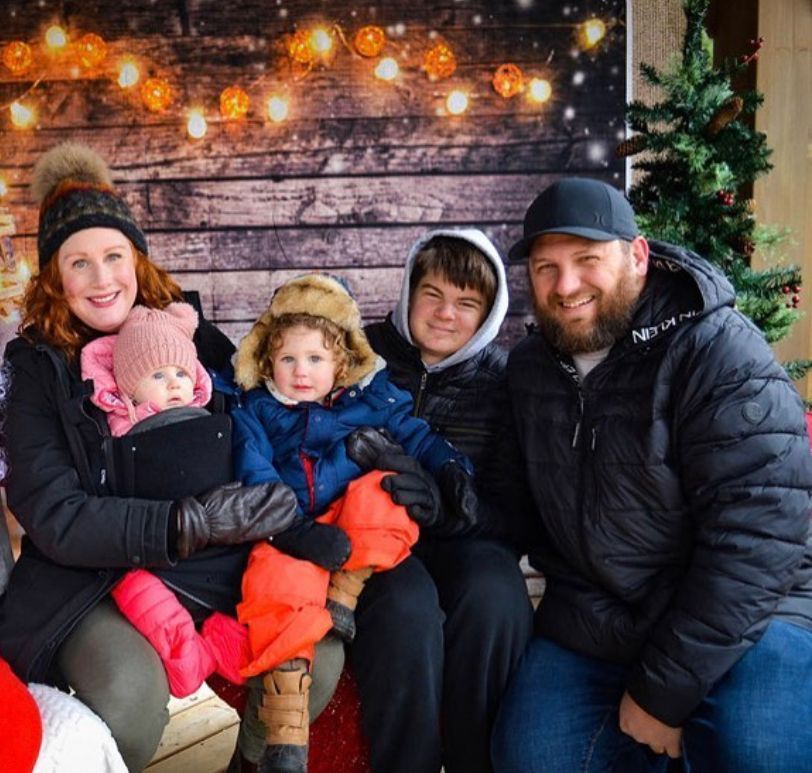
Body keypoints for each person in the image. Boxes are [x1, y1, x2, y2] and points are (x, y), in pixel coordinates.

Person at [490, 177, 812, 772]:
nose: (566, 286)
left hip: (754, 609)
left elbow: (759, 537)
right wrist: (437, 498)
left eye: (587, 260)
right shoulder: (531, 368)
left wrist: (662, 693)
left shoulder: (718, 350)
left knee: (757, 749)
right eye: (545, 268)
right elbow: (511, 506)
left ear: (638, 256)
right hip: (599, 618)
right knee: (533, 758)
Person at [0, 142, 302, 772]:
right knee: (130, 697)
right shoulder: (36, 367)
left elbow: (258, 416)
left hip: (217, 564)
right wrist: (179, 523)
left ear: (136, 257)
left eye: (114, 256)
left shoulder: (188, 332)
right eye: (79, 263)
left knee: (308, 662)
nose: (103, 278)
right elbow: (52, 511)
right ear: (54, 277)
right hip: (95, 578)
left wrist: (276, 493)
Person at [222, 272, 478, 772]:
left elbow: (418, 437)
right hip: (292, 530)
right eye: (288, 359)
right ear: (268, 360)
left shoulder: (371, 401)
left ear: (340, 362)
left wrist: (451, 469)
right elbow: (254, 471)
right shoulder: (256, 409)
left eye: (315, 359)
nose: (301, 372)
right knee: (274, 584)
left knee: (387, 488)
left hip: (353, 529)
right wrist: (291, 529)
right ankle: (286, 732)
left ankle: (346, 590)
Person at [347, 230, 535, 773]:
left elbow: (515, 512)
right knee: (406, 608)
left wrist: (451, 508)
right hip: (374, 539)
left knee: (496, 595)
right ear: (409, 291)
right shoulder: (360, 356)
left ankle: (478, 759)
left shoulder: (504, 381)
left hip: (467, 539)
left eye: (466, 303)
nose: (445, 314)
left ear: (488, 313)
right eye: (432, 294)